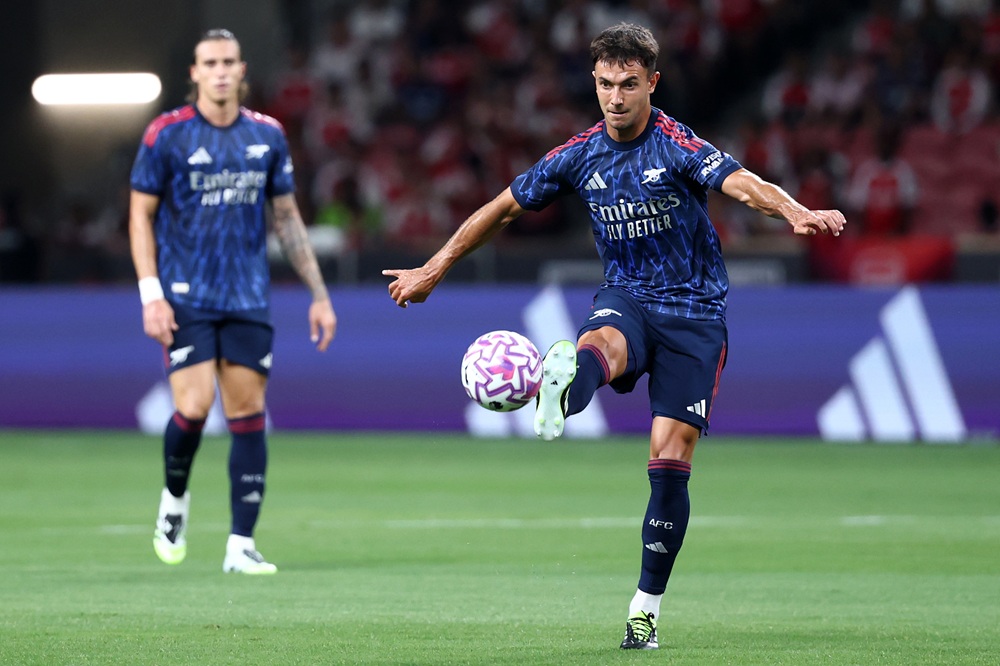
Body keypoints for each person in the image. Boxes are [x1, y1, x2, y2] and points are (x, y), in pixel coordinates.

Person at [383, 23, 844, 650]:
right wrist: (433, 269)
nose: (616, 97)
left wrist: (794, 211)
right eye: (605, 84)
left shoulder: (676, 143)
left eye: (629, 84)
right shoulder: (579, 155)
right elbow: (503, 207)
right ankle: (561, 387)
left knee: (670, 458)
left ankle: (643, 610)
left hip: (694, 315)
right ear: (594, 84)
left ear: (652, 83)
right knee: (603, 343)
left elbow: (741, 183)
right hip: (626, 297)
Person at [129, 29, 337, 575]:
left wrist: (318, 294)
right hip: (185, 296)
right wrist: (151, 294)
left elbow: (287, 218)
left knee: (247, 414)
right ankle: (175, 499)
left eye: (228, 62)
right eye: (210, 63)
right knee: (195, 407)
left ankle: (240, 545)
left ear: (242, 70)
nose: (220, 71)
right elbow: (140, 216)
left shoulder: (267, 135)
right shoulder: (166, 134)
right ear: (194, 73)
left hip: (246, 296)